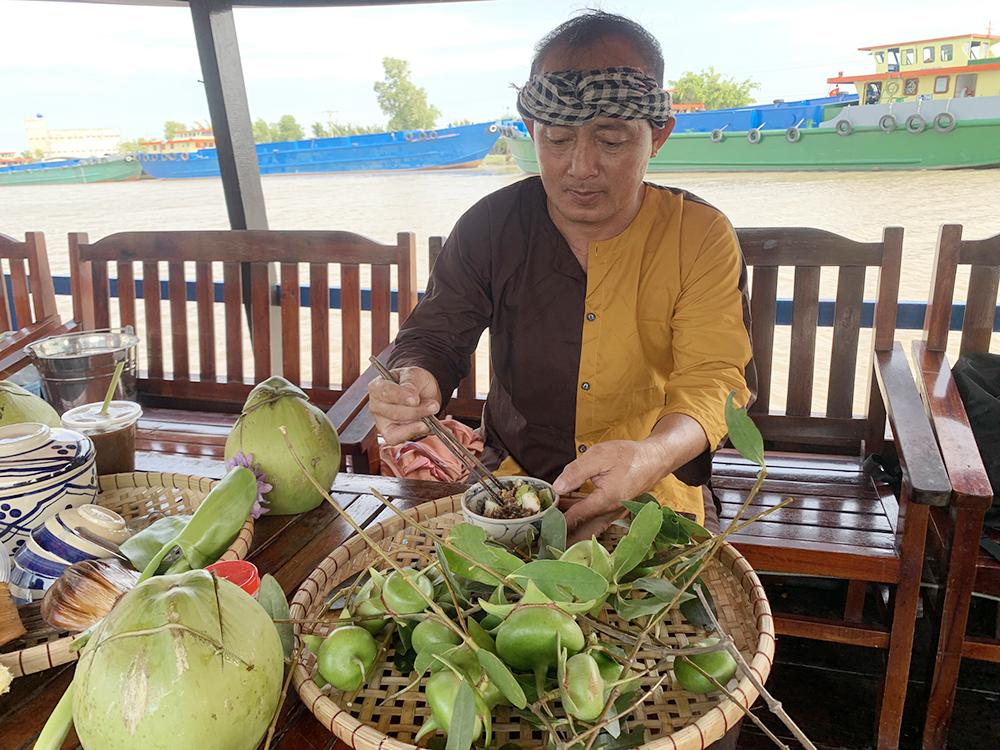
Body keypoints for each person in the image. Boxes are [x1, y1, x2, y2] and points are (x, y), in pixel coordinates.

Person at [368, 11, 753, 543]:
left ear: (658, 135)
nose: (581, 167)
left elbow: (713, 379)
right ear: (531, 130)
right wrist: (415, 380)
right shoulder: (490, 226)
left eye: (612, 141)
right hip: (512, 485)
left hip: (651, 490)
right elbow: (435, 334)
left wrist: (653, 453)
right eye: (557, 139)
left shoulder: (700, 236)